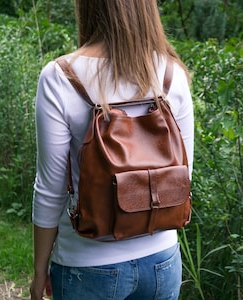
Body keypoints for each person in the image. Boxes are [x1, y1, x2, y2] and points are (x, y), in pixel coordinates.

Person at [30, 0, 194, 299]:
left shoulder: (60, 77)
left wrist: (40, 268)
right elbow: (183, 174)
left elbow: (50, 189)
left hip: (86, 263)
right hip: (163, 260)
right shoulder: (172, 74)